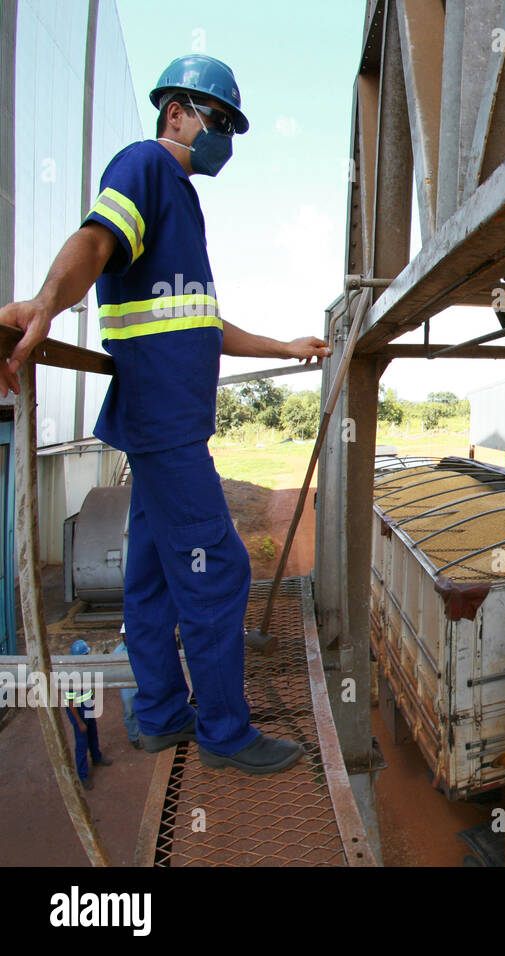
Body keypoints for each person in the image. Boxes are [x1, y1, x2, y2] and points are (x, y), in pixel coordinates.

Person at [0, 54, 331, 774]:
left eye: (234, 131)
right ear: (176, 111)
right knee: (218, 574)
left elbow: (203, 326)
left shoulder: (180, 201)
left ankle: (157, 714)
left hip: (157, 425)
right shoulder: (145, 165)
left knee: (150, 575)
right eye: (219, 121)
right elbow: (94, 241)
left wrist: (286, 345)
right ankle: (224, 733)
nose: (226, 141)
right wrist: (44, 302)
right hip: (165, 426)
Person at [65, 640, 111, 790]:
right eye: (86, 654)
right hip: (78, 713)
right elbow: (70, 704)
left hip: (88, 708)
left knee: (93, 734)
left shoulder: (85, 670)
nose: (88, 656)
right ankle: (83, 775)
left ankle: (96, 757)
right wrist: (80, 722)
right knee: (81, 744)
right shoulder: (70, 676)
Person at [113, 623, 140, 749]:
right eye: (123, 635)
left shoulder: (140, 646)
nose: (125, 637)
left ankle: (146, 734)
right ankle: (134, 737)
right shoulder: (118, 652)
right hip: (127, 689)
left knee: (143, 708)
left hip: (140, 683)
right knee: (129, 711)